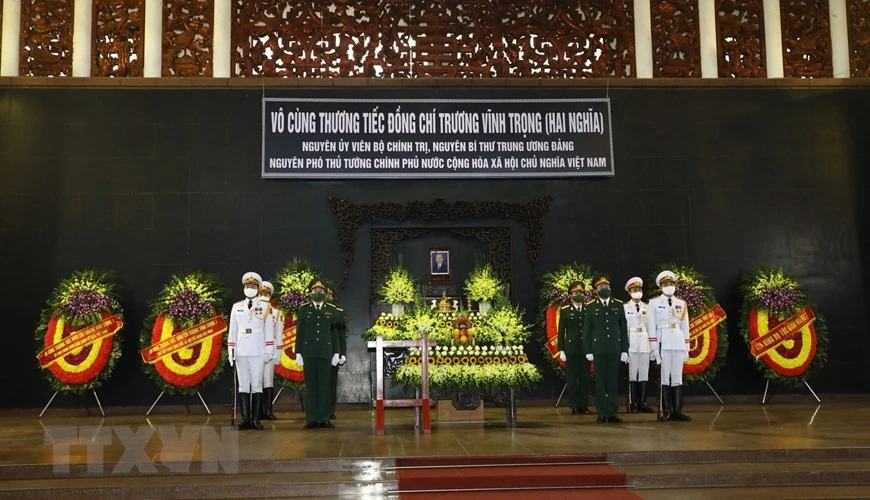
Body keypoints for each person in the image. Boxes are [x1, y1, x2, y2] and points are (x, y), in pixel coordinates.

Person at [228, 272, 276, 431]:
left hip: (258, 350)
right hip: (241, 350)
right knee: (243, 385)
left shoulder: (265, 306)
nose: (250, 288)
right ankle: (245, 419)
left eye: (253, 286)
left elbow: (269, 330)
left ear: (258, 288)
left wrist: (269, 351)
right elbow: (232, 331)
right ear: (243, 288)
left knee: (256, 385)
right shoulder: (237, 307)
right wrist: (231, 350)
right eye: (247, 286)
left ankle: (256, 419)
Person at [295, 279, 341, 429]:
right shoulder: (303, 309)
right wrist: (298, 353)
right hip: (309, 352)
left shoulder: (332, 310)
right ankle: (312, 419)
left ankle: (324, 418)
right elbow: (300, 332)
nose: (318, 293)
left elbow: (335, 333)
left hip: (325, 353)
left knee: (324, 386)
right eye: (315, 290)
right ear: (310, 293)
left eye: (321, 291)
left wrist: (336, 352)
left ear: (325, 293)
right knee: (311, 386)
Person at [582, 274, 629, 423]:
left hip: (614, 348)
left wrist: (624, 350)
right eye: (600, 287)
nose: (603, 289)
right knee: (601, 382)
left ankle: (612, 412)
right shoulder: (591, 307)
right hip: (599, 349)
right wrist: (588, 350)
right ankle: (602, 412)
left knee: (613, 381)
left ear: (610, 288)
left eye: (606, 287)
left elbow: (623, 329)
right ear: (595, 290)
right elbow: (587, 330)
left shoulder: (618, 305)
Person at [647, 270, 691, 422]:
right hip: (662, 342)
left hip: (678, 342)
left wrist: (687, 347)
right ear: (660, 287)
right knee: (665, 378)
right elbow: (651, 326)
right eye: (665, 284)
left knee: (677, 378)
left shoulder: (681, 303)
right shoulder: (653, 303)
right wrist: (653, 349)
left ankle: (677, 411)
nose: (669, 286)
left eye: (671, 284)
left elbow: (685, 326)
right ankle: (666, 411)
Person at [556, 281, 592, 415]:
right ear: (571, 295)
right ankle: (574, 405)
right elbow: (561, 332)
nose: (579, 295)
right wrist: (561, 350)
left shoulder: (588, 309)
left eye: (581, 293)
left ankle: (583, 404)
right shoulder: (565, 311)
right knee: (572, 377)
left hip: (585, 349)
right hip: (571, 348)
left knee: (584, 377)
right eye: (576, 293)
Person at [623, 277, 657, 413]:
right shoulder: (625, 307)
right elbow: (623, 329)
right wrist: (624, 348)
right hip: (631, 343)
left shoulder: (648, 307)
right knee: (632, 374)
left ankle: (642, 403)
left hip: (644, 343)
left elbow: (651, 327)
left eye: (639, 290)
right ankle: (633, 404)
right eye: (634, 290)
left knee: (643, 374)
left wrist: (653, 347)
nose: (637, 292)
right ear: (629, 292)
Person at [257, 281, 283, 421]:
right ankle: (256, 410)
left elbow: (278, 335)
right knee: (256, 381)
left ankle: (267, 410)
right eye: (261, 293)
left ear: (270, 295)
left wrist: (278, 354)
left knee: (268, 381)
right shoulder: (252, 310)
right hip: (255, 350)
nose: (263, 296)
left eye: (266, 294)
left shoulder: (277, 313)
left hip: (270, 350)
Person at [326, 285, 347, 420]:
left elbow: (341, 335)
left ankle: (330, 409)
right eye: (325, 294)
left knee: (331, 384)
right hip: (319, 353)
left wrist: (342, 353)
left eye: (330, 295)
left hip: (333, 352)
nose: (327, 297)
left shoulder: (338, 313)